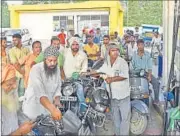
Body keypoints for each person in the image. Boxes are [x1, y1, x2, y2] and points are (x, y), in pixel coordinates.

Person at [86, 44, 130, 135]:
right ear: (109, 52)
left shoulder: (122, 62)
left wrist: (111, 79)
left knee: (125, 119)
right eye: (113, 50)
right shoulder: (107, 63)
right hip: (112, 96)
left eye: (117, 50)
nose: (115, 52)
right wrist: (88, 72)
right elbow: (99, 72)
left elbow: (124, 76)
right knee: (116, 119)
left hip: (123, 96)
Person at [22, 46, 62, 120]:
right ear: (45, 59)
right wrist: (53, 109)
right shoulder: (36, 69)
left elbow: (58, 86)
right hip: (33, 109)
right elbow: (40, 93)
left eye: (55, 60)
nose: (52, 63)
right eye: (50, 60)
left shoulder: (57, 69)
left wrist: (57, 100)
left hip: (48, 109)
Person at [1, 64, 35, 135]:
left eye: (15, 81)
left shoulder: (9, 94)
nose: (15, 86)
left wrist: (28, 122)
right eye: (9, 84)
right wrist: (20, 132)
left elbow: (17, 113)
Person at [63, 37, 88, 112]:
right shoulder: (65, 52)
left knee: (80, 91)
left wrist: (79, 75)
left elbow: (84, 69)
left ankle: (83, 112)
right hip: (64, 80)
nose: (75, 46)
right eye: (73, 44)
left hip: (77, 80)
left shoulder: (83, 55)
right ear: (70, 45)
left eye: (77, 44)